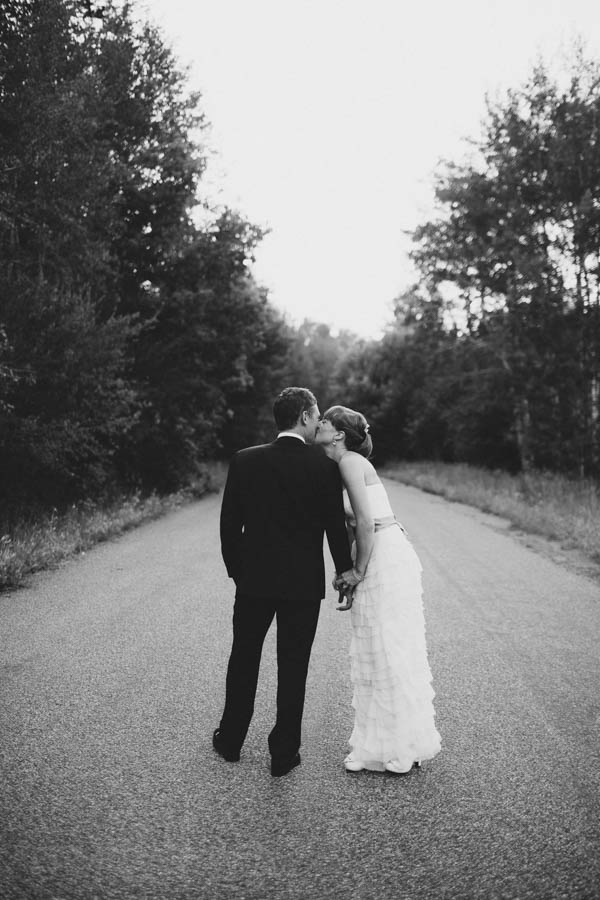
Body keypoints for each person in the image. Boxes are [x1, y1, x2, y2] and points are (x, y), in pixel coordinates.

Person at [215, 387, 355, 777]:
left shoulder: (245, 461)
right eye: (316, 416)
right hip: (302, 586)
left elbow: (229, 526)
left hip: (254, 582)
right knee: (294, 666)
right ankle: (283, 753)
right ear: (306, 417)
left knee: (243, 658)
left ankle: (230, 741)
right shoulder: (324, 467)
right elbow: (334, 529)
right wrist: (345, 571)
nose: (318, 422)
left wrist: (239, 572)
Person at [315, 405, 441, 774]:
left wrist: (357, 571)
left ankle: (403, 746)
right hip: (377, 552)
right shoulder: (339, 466)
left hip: (384, 551)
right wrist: (351, 576)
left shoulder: (351, 462)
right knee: (375, 648)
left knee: (389, 647)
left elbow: (366, 522)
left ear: (338, 434)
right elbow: (353, 528)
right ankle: (377, 745)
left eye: (325, 421)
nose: (318, 423)